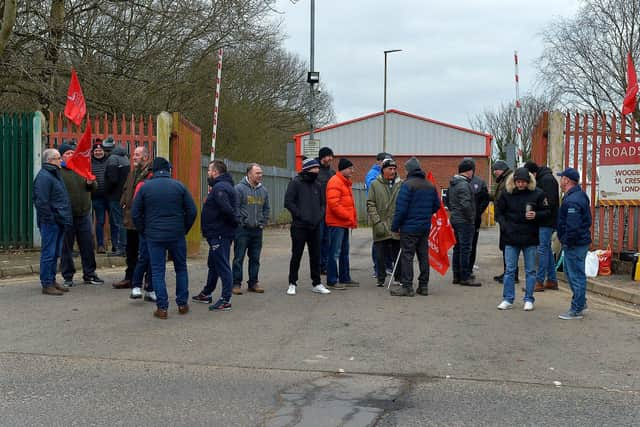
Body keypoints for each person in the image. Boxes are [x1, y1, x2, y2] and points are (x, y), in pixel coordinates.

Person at [132, 157, 197, 319]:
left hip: (154, 236)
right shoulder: (179, 186)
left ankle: (162, 308)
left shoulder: (145, 188)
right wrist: (184, 229)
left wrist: (144, 231)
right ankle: (182, 304)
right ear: (168, 170)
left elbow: (135, 213)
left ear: (153, 170)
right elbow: (192, 211)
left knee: (158, 271)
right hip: (176, 234)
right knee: (181, 268)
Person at [495, 167, 550, 311]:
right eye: (518, 182)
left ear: (528, 181)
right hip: (511, 237)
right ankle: (507, 298)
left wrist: (536, 215)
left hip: (530, 237)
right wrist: (505, 226)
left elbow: (547, 212)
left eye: (523, 182)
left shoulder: (538, 194)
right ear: (514, 181)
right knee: (509, 270)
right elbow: (499, 213)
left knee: (530, 270)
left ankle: (529, 299)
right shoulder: (506, 194)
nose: (520, 184)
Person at [192, 160, 239, 311]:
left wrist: (232, 223)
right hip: (218, 233)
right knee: (213, 264)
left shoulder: (220, 188)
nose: (208, 174)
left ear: (215, 172)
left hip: (220, 234)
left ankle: (226, 299)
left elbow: (227, 210)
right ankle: (206, 293)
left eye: (209, 171)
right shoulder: (224, 186)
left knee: (223, 265)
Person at [390, 157, 440, 296]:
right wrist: (424, 214)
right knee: (423, 256)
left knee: (407, 256)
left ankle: (407, 286)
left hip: (409, 228)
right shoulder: (429, 185)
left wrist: (395, 226)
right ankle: (423, 286)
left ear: (409, 170)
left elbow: (401, 209)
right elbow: (436, 205)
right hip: (424, 227)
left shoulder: (407, 185)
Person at [58, 144, 104, 287]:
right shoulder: (59, 171)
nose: (71, 155)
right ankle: (68, 276)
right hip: (67, 215)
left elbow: (93, 186)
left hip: (84, 214)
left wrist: (91, 183)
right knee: (67, 248)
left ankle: (89, 274)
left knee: (88, 246)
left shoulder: (82, 167)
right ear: (61, 156)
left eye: (72, 152)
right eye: (67, 153)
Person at [284, 158, 331, 295]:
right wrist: (300, 215)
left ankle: (316, 283)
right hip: (299, 226)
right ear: (307, 169)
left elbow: (323, 204)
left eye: (317, 168)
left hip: (315, 226)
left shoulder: (318, 184)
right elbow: (288, 202)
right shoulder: (295, 183)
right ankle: (292, 283)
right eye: (314, 168)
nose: (317, 171)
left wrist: (319, 216)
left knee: (315, 255)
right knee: (296, 254)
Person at [112, 146, 153, 294]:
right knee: (131, 251)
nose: (134, 157)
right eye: (133, 154)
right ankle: (130, 278)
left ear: (145, 157)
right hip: (130, 219)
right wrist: (123, 201)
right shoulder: (133, 173)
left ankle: (149, 281)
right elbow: (125, 190)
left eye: (137, 155)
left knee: (146, 252)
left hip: (143, 221)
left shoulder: (150, 174)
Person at [32, 148, 72, 295]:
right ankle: (46, 283)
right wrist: (51, 218)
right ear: (50, 161)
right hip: (51, 222)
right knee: (48, 253)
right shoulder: (45, 176)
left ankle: (52, 279)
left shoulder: (54, 174)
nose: (61, 160)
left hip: (58, 220)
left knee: (55, 253)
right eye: (58, 158)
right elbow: (41, 202)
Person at [556, 167, 592, 320]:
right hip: (578, 242)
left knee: (575, 276)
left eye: (561, 177)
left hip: (575, 244)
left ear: (567, 180)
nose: (560, 180)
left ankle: (576, 308)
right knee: (574, 274)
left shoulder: (573, 200)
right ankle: (581, 302)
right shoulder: (577, 195)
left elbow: (573, 226)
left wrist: (567, 242)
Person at [232, 163, 270, 295]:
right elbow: (235, 208)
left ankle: (253, 283)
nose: (260, 175)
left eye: (261, 173)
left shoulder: (263, 191)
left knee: (255, 258)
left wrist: (263, 222)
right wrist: (240, 221)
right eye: (257, 173)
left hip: (257, 230)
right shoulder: (239, 189)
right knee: (239, 258)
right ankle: (236, 284)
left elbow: (266, 208)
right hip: (242, 230)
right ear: (249, 174)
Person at [525, 160, 560, 292]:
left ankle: (538, 281)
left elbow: (549, 204)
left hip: (546, 221)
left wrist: (536, 213)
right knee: (546, 250)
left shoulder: (546, 180)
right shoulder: (545, 179)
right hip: (546, 220)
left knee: (542, 250)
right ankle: (551, 280)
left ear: (533, 173)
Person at [367, 158, 403, 287]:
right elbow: (370, 204)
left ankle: (398, 277)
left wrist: (400, 222)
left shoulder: (401, 184)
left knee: (397, 253)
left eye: (394, 169)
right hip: (381, 225)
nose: (392, 171)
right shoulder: (375, 184)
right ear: (383, 170)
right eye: (390, 169)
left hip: (396, 225)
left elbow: (404, 204)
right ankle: (380, 278)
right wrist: (377, 222)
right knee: (380, 254)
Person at [325, 158, 359, 290]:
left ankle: (345, 277)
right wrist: (348, 217)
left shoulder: (345, 182)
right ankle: (332, 280)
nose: (352, 171)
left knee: (344, 251)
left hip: (344, 223)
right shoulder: (335, 181)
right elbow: (334, 204)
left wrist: (350, 219)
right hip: (337, 223)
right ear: (343, 169)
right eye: (350, 168)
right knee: (334, 252)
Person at [448, 159, 481, 287]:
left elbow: (448, 201)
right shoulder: (464, 185)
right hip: (464, 221)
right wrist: (471, 218)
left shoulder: (453, 184)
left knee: (458, 248)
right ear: (469, 171)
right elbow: (466, 204)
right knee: (466, 248)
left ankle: (456, 275)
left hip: (456, 219)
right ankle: (465, 276)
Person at [365, 152, 392, 278]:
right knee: (378, 240)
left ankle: (387, 266)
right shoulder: (373, 175)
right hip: (378, 211)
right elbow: (374, 190)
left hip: (388, 212)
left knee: (389, 239)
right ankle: (377, 268)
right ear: (379, 162)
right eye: (386, 162)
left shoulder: (388, 174)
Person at [491, 160, 518, 284]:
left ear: (502, 169)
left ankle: (511, 274)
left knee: (508, 246)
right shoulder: (505, 179)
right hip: (504, 219)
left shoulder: (508, 180)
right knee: (505, 246)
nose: (494, 172)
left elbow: (504, 199)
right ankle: (509, 272)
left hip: (507, 219)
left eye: (496, 169)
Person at [104, 143, 130, 256]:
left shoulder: (112, 159)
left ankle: (121, 248)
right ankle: (124, 246)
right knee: (123, 221)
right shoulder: (125, 158)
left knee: (119, 222)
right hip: (124, 194)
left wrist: (106, 191)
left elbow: (112, 179)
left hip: (115, 196)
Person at [466, 158, 490, 271]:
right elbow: (450, 200)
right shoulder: (456, 181)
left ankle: (469, 269)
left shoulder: (480, 182)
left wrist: (478, 212)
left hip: (474, 221)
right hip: (461, 220)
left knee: (472, 245)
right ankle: (459, 272)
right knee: (460, 245)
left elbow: (485, 199)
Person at [316, 147, 335, 275]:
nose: (330, 159)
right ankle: (318, 265)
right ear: (322, 157)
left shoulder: (332, 173)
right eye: (328, 156)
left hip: (330, 211)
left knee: (328, 240)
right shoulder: (315, 171)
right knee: (318, 239)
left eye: (331, 156)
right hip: (318, 211)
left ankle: (325, 265)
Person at [90, 140, 112, 253]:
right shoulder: (90, 163)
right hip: (96, 197)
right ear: (93, 152)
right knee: (100, 221)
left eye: (100, 150)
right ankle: (100, 245)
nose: (98, 152)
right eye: (96, 150)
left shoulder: (109, 161)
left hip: (109, 196)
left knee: (113, 221)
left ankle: (116, 245)